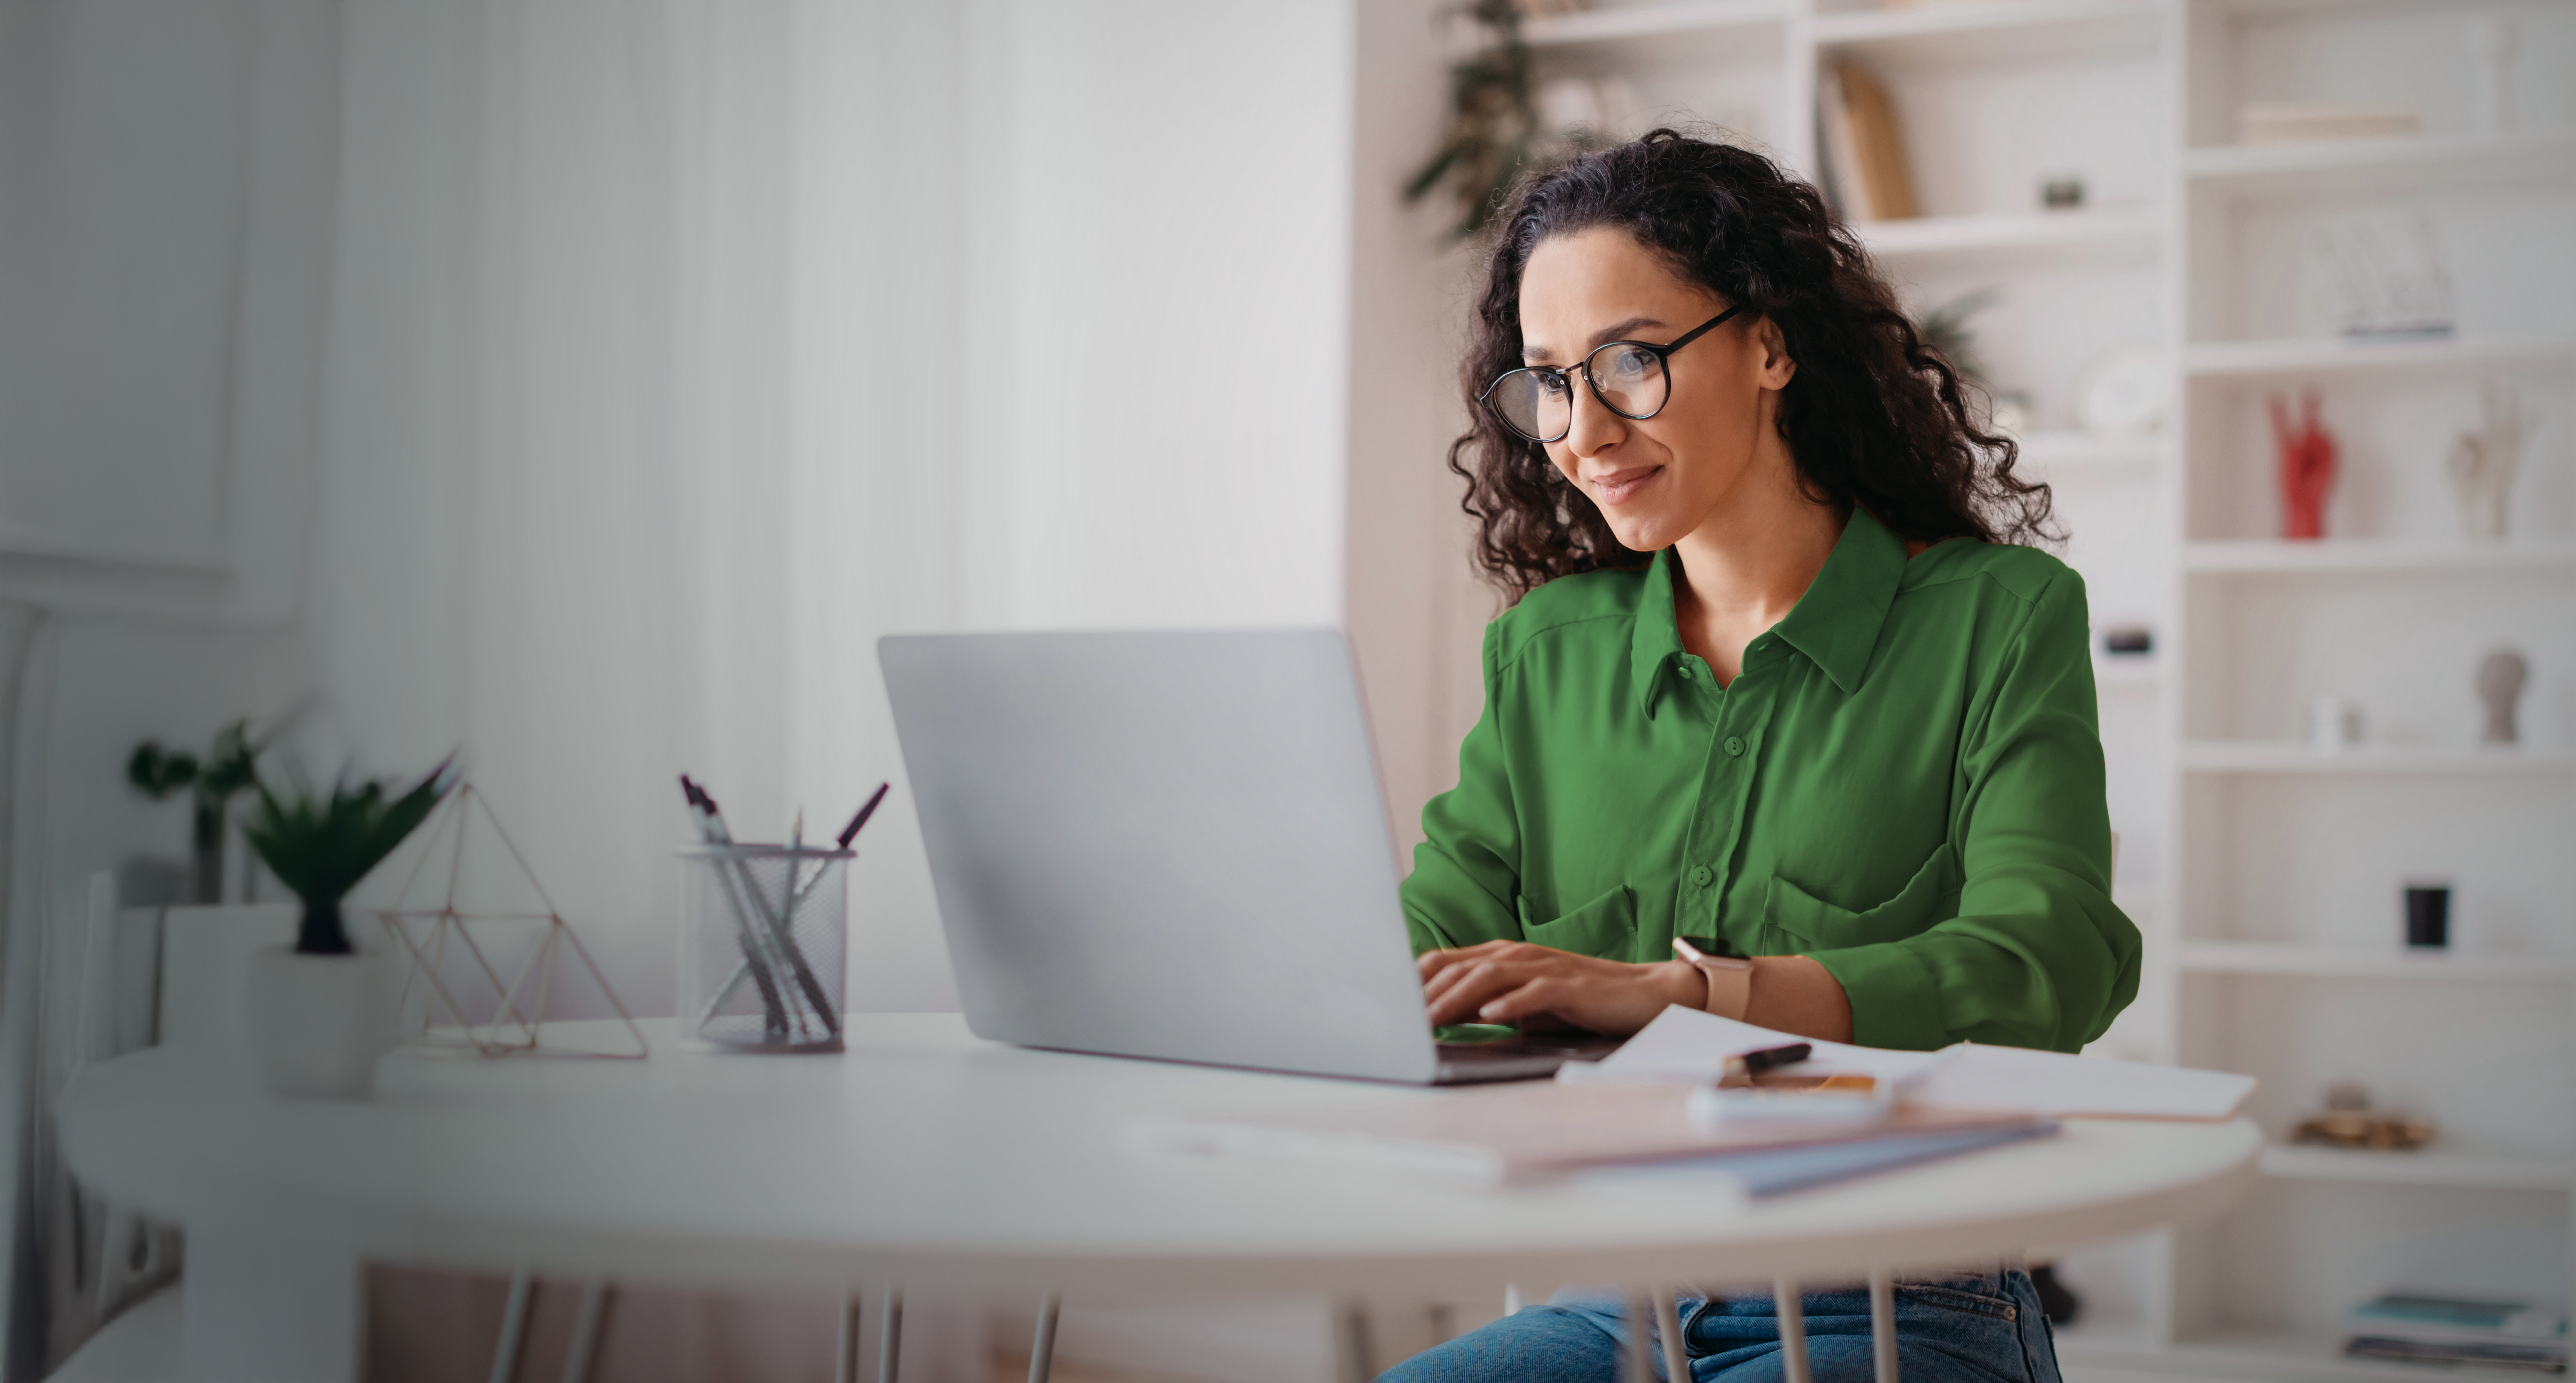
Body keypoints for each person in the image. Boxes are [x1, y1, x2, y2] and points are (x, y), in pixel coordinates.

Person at [1382, 131, 2139, 1383]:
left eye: (1630, 361)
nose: (1580, 431)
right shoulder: (1546, 653)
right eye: (1547, 382)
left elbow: (2050, 959)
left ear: (1769, 345)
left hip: (1899, 1297)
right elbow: (1429, 968)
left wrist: (1700, 999)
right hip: (1609, 1293)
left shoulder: (1995, 618)